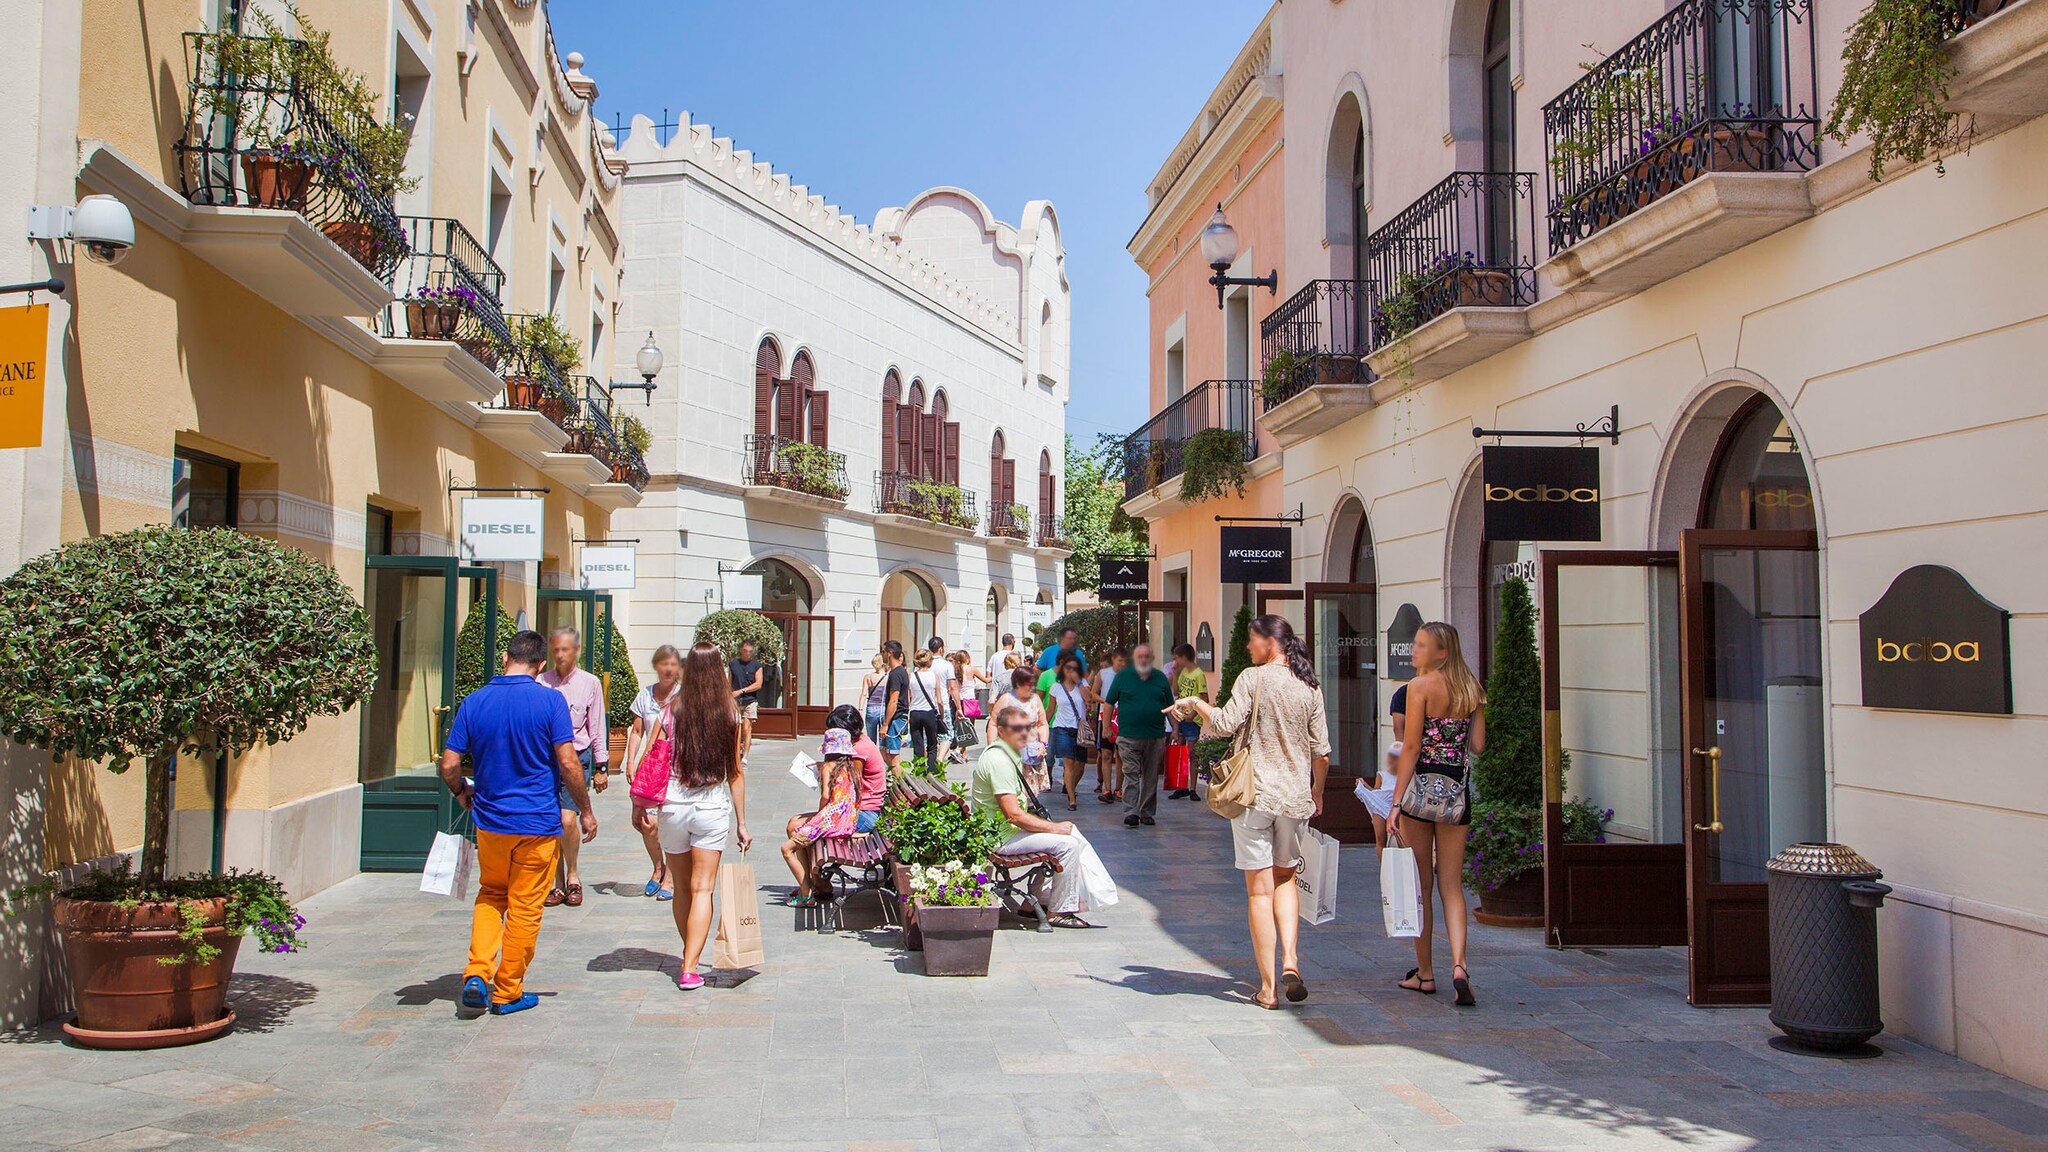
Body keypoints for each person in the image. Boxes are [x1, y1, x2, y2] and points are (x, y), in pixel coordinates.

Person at [1173, 614, 1330, 1010]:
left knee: (1259, 890)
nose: (1247, 647)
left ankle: (1268, 987)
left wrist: (1195, 704)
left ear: (1268, 642)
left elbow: (1225, 725)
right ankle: (1291, 961)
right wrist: (1317, 791)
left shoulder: (1252, 678)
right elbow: (1321, 752)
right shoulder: (1309, 687)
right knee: (1287, 880)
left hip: (1253, 794)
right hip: (1295, 797)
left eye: (1251, 640)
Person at [440, 629, 596, 1017]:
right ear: (541, 665)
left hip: (491, 823)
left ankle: (477, 973)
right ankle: (508, 989)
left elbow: (448, 764)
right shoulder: (550, 702)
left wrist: (461, 791)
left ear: (506, 658)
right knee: (526, 906)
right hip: (537, 824)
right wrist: (586, 809)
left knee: (492, 894)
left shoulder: (474, 702)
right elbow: (568, 762)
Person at [632, 642, 752, 991]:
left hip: (673, 803)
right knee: (703, 889)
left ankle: (690, 958)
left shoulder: (671, 709)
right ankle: (688, 967)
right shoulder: (730, 713)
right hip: (711, 805)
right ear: (719, 671)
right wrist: (742, 822)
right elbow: (735, 772)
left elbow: (650, 758)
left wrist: (640, 803)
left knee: (682, 887)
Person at [1386, 622, 1487, 1008]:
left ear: (1441, 652)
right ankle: (1460, 966)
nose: (1414, 650)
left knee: (1420, 886)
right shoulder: (1471, 690)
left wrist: (1395, 803)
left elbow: (1410, 747)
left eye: (1421, 645)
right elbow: (1477, 745)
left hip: (1419, 794)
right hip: (1456, 795)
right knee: (1452, 885)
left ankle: (1425, 974)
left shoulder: (1418, 688)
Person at [972, 704, 1102, 928]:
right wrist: (1053, 828)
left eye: (1027, 728)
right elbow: (1013, 815)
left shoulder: (1006, 754)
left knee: (1066, 833)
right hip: (999, 838)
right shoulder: (999, 761)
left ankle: (1035, 902)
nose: (1024, 733)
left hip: (1002, 830)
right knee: (1067, 845)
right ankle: (1059, 910)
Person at [537, 627, 607, 908]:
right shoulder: (541, 682)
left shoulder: (589, 683)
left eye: (565, 649)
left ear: (576, 650)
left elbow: (597, 725)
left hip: (577, 757)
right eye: (555, 649)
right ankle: (557, 882)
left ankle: (574, 876)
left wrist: (602, 766)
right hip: (547, 759)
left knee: (567, 820)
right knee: (552, 821)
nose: (560, 654)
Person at [623, 644, 684, 901]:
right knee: (646, 824)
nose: (668, 669)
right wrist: (630, 761)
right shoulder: (645, 696)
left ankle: (669, 876)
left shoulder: (684, 696)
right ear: (656, 666)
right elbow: (637, 731)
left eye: (673, 664)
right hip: (651, 767)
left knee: (668, 823)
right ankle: (658, 866)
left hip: (675, 769)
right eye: (664, 664)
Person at [780, 728, 860, 906]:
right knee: (796, 829)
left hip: (831, 820)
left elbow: (825, 796)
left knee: (786, 849)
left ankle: (807, 895)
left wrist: (818, 816)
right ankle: (807, 885)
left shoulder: (828, 767)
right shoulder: (850, 767)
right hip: (846, 821)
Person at [1107, 643, 1175, 829]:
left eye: (1147, 657)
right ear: (1134, 659)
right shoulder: (1123, 677)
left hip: (1155, 735)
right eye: (1140, 657)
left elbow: (1169, 706)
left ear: (1152, 659)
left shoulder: (1160, 678)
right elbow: (1109, 702)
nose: (1144, 660)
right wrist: (1106, 728)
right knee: (1131, 774)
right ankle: (1130, 812)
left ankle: (1146, 812)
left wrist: (1176, 727)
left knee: (1151, 775)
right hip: (1129, 736)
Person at [824, 703, 888, 832]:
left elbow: (850, 785)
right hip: (862, 810)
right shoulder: (862, 742)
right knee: (796, 825)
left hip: (864, 814)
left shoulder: (859, 749)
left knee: (796, 827)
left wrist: (827, 771)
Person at [1045, 656, 1097, 811]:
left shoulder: (1083, 685)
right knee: (1069, 763)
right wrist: (1043, 728)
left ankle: (1070, 786)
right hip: (1061, 728)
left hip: (1079, 729)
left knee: (1080, 765)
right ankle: (1072, 800)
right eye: (1068, 668)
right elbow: (1050, 709)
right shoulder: (1056, 687)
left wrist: (1080, 682)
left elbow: (1090, 699)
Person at [986, 666, 1046, 774]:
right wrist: (992, 749)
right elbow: (993, 724)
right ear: (1018, 683)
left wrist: (1043, 743)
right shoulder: (1006, 699)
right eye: (1029, 683)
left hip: (1031, 753)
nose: (1032, 687)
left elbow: (1042, 724)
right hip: (1009, 753)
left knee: (1029, 790)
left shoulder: (1035, 699)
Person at [1168, 643, 1207, 799]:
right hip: (1181, 717)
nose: (1175, 662)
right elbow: (1176, 692)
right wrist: (1176, 675)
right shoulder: (1183, 673)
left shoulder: (1198, 674)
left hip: (1191, 720)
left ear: (1184, 658)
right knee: (1180, 752)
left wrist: (1193, 713)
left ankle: (1192, 788)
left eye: (1177, 658)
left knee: (1192, 753)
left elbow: (1204, 697)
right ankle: (1181, 785)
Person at [905, 648, 952, 769]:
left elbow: (908, 697)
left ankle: (919, 770)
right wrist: (942, 716)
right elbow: (939, 700)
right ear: (928, 661)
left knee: (917, 744)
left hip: (915, 712)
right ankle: (932, 771)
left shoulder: (911, 676)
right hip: (929, 712)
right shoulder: (933, 676)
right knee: (932, 744)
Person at [1093, 650, 1127, 801]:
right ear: (1114, 659)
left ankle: (1118, 789)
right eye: (1120, 660)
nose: (1122, 663)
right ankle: (1107, 789)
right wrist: (1106, 702)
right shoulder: (1103, 674)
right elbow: (1093, 693)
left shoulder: (1129, 675)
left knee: (1120, 754)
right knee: (1106, 753)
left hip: (1123, 717)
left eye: (1124, 661)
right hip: (1105, 716)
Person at [728, 639, 764, 766]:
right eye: (745, 651)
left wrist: (741, 691)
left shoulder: (757, 665)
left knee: (747, 728)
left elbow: (758, 684)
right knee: (736, 728)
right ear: (740, 650)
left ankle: (745, 756)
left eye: (750, 651)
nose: (747, 653)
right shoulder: (733, 664)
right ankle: (737, 752)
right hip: (735, 701)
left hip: (750, 700)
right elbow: (729, 682)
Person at [878, 640, 910, 771]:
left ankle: (903, 786)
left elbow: (893, 700)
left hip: (896, 718)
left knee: (893, 756)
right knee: (884, 752)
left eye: (884, 652)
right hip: (896, 718)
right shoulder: (898, 671)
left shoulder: (896, 674)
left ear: (890, 653)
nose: (882, 655)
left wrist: (885, 724)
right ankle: (898, 781)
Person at [925, 637, 957, 763]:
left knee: (929, 736)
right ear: (941, 648)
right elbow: (952, 687)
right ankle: (939, 759)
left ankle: (929, 761)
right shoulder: (947, 665)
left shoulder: (926, 665)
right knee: (947, 735)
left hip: (926, 704)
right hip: (943, 702)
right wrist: (958, 707)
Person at [859, 654, 889, 743]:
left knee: (871, 739)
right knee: (883, 738)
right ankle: (881, 756)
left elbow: (863, 694)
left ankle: (872, 754)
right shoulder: (888, 677)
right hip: (883, 708)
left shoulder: (868, 677)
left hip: (871, 708)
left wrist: (860, 709)